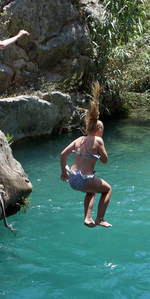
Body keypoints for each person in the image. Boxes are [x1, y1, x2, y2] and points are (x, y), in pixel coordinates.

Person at [59, 83, 112, 228]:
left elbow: (63, 155)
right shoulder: (98, 140)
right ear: (99, 131)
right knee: (107, 189)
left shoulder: (79, 139)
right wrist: (100, 153)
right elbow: (105, 161)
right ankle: (100, 218)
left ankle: (87, 218)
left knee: (91, 192)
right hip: (84, 180)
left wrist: (64, 172)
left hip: (72, 179)